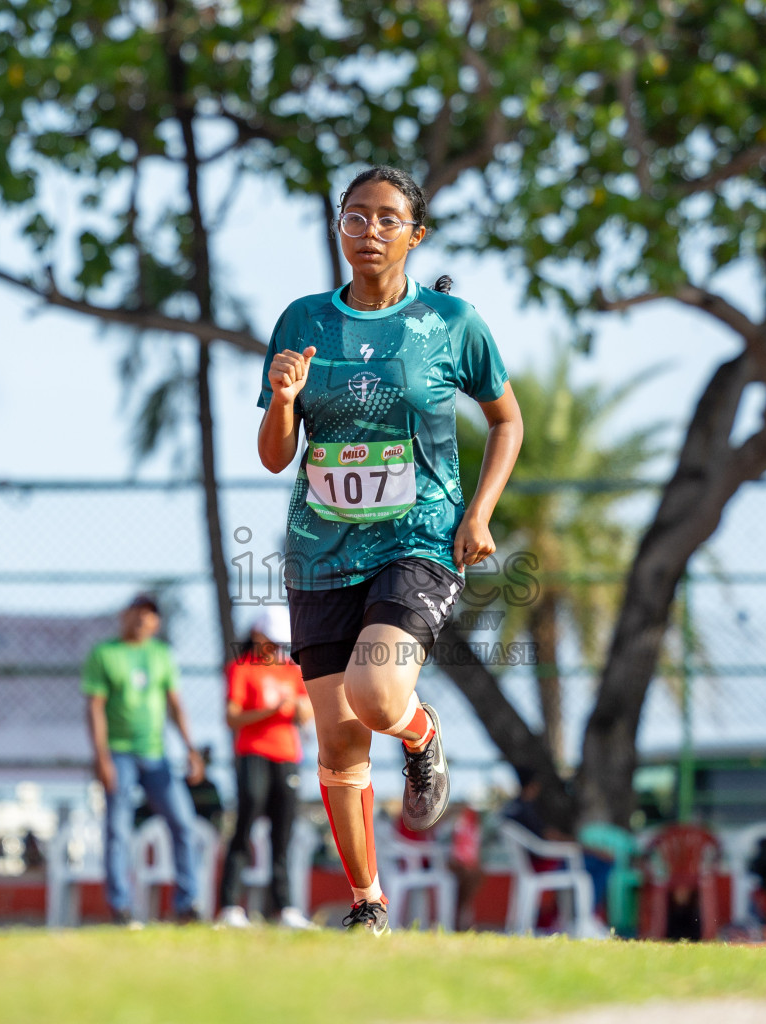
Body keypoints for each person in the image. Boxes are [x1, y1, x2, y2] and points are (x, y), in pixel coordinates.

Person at [257, 166, 522, 934]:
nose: (368, 232)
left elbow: (507, 421)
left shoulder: (450, 322)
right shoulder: (303, 320)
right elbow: (277, 456)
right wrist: (281, 401)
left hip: (419, 538)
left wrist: (480, 513)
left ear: (416, 233)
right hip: (319, 547)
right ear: (337, 228)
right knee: (338, 738)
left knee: (376, 700)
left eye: (386, 219)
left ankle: (422, 732)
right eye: (354, 218)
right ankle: (368, 903)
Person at [82, 593, 204, 925]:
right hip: (119, 753)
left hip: (156, 754)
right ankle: (120, 906)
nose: (141, 620)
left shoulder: (162, 655)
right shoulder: (105, 654)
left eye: (149, 615)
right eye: (137, 612)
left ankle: (186, 903)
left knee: (183, 823)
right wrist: (102, 757)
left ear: (156, 622)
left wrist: (190, 748)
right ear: (125, 615)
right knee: (118, 829)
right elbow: (94, 708)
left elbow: (175, 704)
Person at [216, 609, 314, 929]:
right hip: (253, 753)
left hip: (287, 756)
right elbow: (232, 717)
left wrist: (302, 711)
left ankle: (283, 907)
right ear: (258, 636)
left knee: (283, 832)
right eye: (271, 641)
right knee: (244, 827)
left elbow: (306, 713)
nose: (276, 648)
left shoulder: (292, 671)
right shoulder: (242, 668)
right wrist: (269, 712)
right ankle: (230, 905)